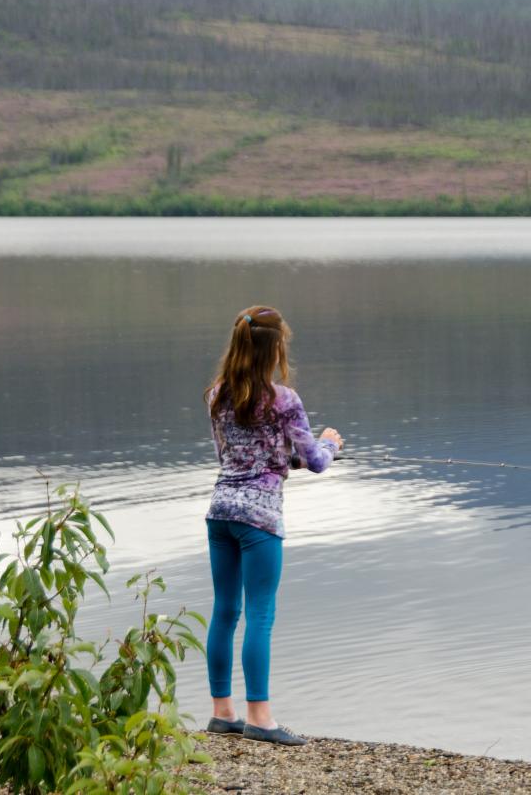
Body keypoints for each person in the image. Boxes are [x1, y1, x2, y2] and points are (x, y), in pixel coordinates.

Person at [202, 304, 343, 746]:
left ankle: (221, 713)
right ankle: (259, 717)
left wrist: (286, 459)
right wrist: (329, 443)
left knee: (225, 611)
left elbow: (236, 456)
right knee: (260, 614)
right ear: (275, 347)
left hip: (220, 512)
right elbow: (316, 461)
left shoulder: (216, 394)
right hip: (260, 518)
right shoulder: (284, 400)